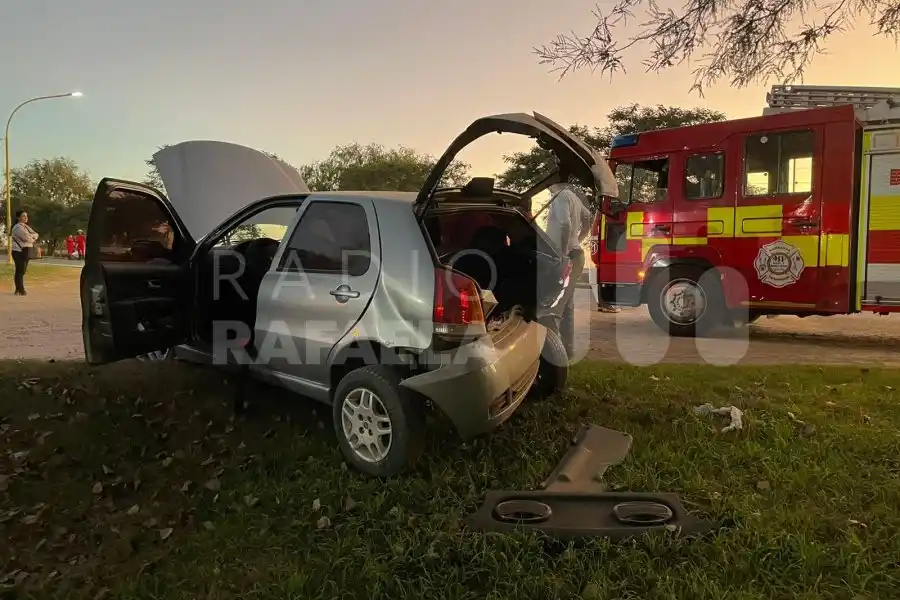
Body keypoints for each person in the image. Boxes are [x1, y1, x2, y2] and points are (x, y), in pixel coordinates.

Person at [545, 182, 593, 358]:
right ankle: (568, 351)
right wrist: (578, 239)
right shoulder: (573, 197)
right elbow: (588, 218)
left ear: (554, 184)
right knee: (567, 306)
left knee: (555, 308)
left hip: (565, 257)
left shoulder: (559, 197)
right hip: (575, 254)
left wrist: (564, 251)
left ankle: (552, 357)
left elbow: (565, 223)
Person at [10, 210, 39, 296]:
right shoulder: (18, 227)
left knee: (22, 271)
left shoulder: (25, 226)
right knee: (20, 270)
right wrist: (32, 237)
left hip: (25, 250)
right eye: (23, 216)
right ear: (18, 218)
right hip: (19, 251)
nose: (26, 217)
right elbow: (28, 238)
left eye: (26, 216)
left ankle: (18, 289)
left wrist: (32, 236)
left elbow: (36, 234)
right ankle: (20, 289)